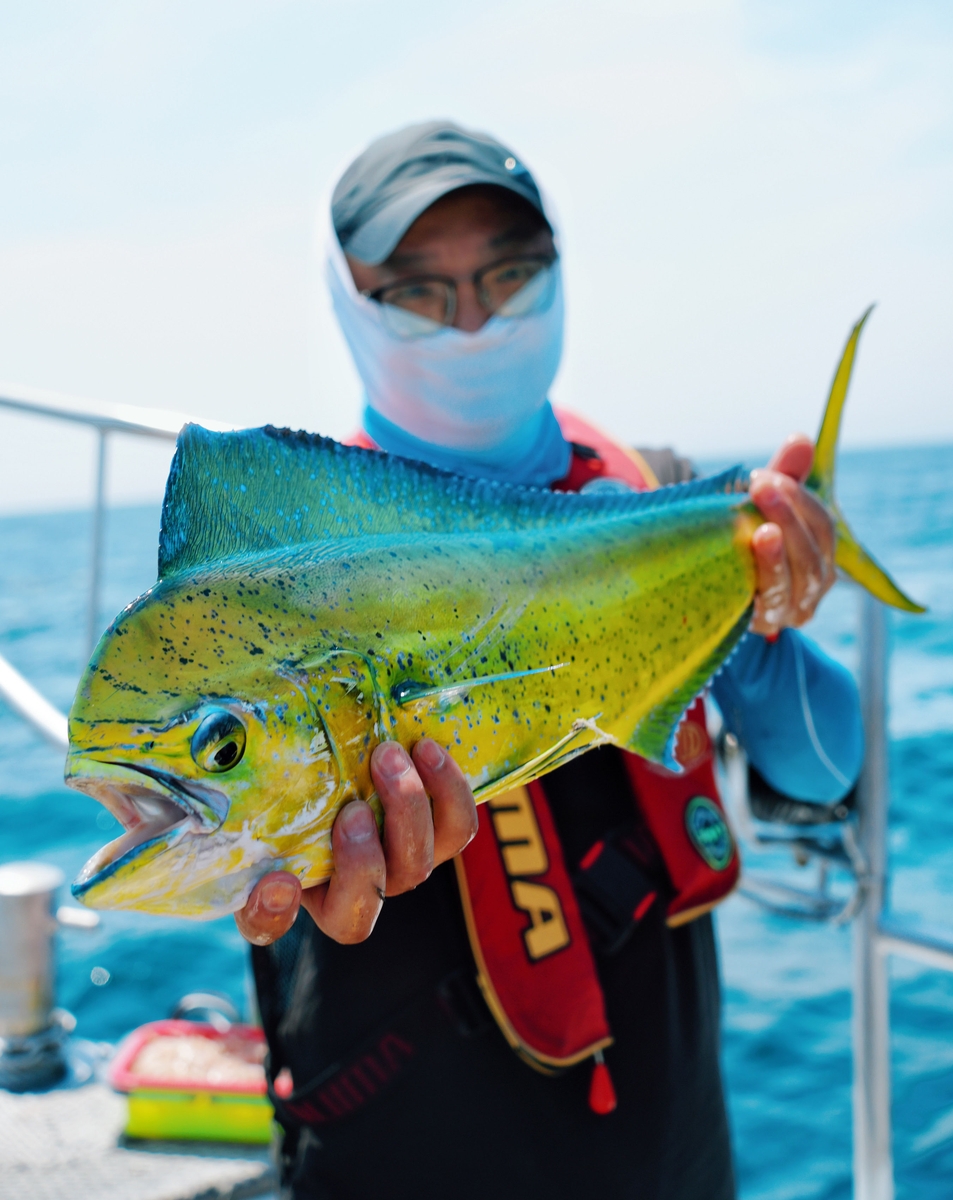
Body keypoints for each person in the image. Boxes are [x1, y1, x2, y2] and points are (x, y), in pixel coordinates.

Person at [234, 122, 863, 1200]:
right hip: (411, 1149)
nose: (471, 321)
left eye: (507, 276)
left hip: (672, 1142)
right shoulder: (289, 573)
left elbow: (821, 764)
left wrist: (755, 635)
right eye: (419, 293)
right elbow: (238, 853)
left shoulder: (660, 501)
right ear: (346, 298)